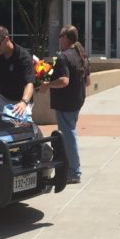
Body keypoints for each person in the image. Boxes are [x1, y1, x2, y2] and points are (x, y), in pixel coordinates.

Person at [41, 25, 90, 184]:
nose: (58, 39)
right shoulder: (81, 55)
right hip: (77, 100)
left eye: (60, 36)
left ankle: (74, 172)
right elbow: (88, 82)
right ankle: (71, 168)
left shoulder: (64, 57)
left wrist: (47, 85)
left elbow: (64, 81)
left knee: (69, 136)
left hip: (66, 103)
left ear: (65, 38)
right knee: (69, 133)